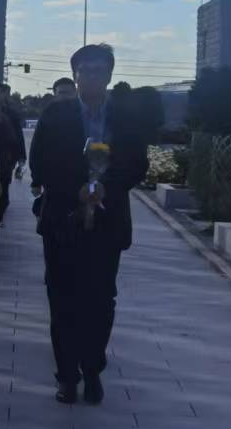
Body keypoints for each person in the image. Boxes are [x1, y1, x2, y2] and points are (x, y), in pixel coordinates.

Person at [29, 42, 149, 406]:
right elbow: (40, 162)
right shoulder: (56, 114)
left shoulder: (127, 117)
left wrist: (105, 187)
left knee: (100, 299)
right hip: (63, 219)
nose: (92, 77)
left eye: (99, 71)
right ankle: (67, 375)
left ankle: (93, 368)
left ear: (110, 75)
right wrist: (77, 190)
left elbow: (137, 164)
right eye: (85, 71)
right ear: (75, 76)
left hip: (108, 221)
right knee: (62, 297)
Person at [0, 82, 28, 258]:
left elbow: (17, 137)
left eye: (4, 93)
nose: (3, 96)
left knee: (0, 201)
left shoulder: (9, 115)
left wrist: (20, 157)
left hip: (4, 163)